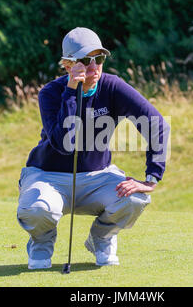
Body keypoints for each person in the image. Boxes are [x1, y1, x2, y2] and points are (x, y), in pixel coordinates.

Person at [16, 27, 170, 269]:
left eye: (99, 58)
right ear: (67, 64)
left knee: (135, 199)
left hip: (97, 176)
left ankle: (101, 237)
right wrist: (71, 91)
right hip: (48, 176)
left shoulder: (112, 86)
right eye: (85, 60)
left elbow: (157, 124)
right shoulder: (51, 93)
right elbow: (64, 144)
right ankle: (42, 244)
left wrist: (152, 178)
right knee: (36, 209)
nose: (94, 66)